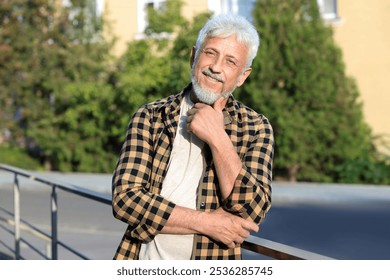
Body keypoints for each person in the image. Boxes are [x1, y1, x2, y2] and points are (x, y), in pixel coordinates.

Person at [111, 13, 274, 260]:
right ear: (193, 57)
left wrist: (218, 137)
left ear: (242, 76)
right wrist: (207, 223)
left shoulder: (256, 127)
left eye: (230, 61)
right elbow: (126, 199)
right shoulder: (152, 116)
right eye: (210, 53)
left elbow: (252, 211)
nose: (216, 68)